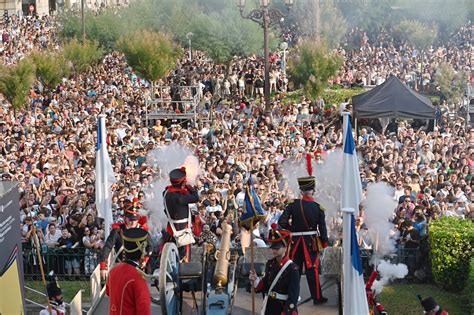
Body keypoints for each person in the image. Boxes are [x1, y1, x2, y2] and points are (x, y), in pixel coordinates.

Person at [278, 174, 329, 305]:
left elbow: (282, 222)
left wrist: (292, 229)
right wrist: (324, 242)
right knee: (313, 270)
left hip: (295, 242)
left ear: (301, 191)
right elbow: (323, 229)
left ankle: (290, 296)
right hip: (310, 242)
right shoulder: (318, 208)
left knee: (294, 269)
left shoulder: (292, 204)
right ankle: (317, 298)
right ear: (313, 191)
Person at [249, 227, 299, 315]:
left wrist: (286, 312)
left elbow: (293, 297)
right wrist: (256, 280)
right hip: (269, 307)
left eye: (277, 248)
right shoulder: (270, 263)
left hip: (282, 308)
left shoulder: (292, 269)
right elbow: (266, 286)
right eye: (272, 247)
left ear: (285, 248)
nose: (273, 250)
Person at [99, 199, 148, 279]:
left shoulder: (142, 230)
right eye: (130, 219)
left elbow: (150, 246)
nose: (132, 222)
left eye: (135, 220)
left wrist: (145, 260)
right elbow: (107, 247)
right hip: (121, 267)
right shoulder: (118, 231)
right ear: (125, 218)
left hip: (139, 269)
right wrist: (103, 267)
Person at [106, 228, 151, 315]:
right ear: (142, 250)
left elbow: (109, 293)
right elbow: (144, 310)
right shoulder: (138, 278)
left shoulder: (113, 271)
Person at [163, 167, 199, 261]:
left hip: (171, 228)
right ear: (183, 182)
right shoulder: (180, 197)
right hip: (182, 229)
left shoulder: (165, 193)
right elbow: (196, 197)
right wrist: (188, 185)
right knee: (183, 255)